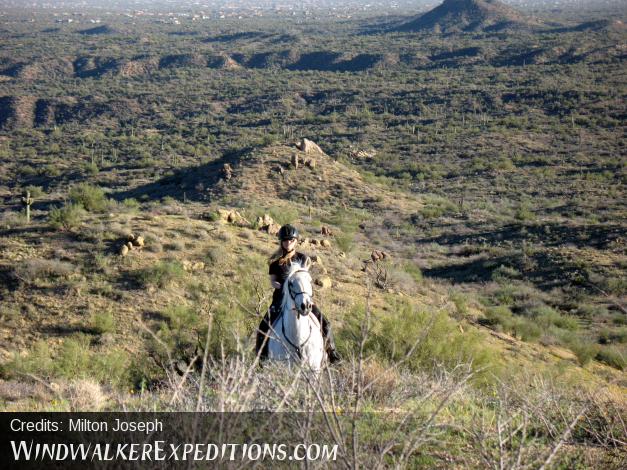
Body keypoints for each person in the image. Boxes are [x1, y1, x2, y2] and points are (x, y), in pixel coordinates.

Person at [255, 224, 341, 364]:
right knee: (263, 326)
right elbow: (273, 282)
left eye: (291, 240)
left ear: (296, 241)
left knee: (325, 323)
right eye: (285, 240)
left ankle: (332, 353)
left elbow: (305, 278)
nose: (288, 243)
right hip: (281, 300)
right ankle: (262, 358)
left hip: (302, 297)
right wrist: (284, 287)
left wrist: (305, 294)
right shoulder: (275, 262)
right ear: (281, 241)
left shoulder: (303, 259)